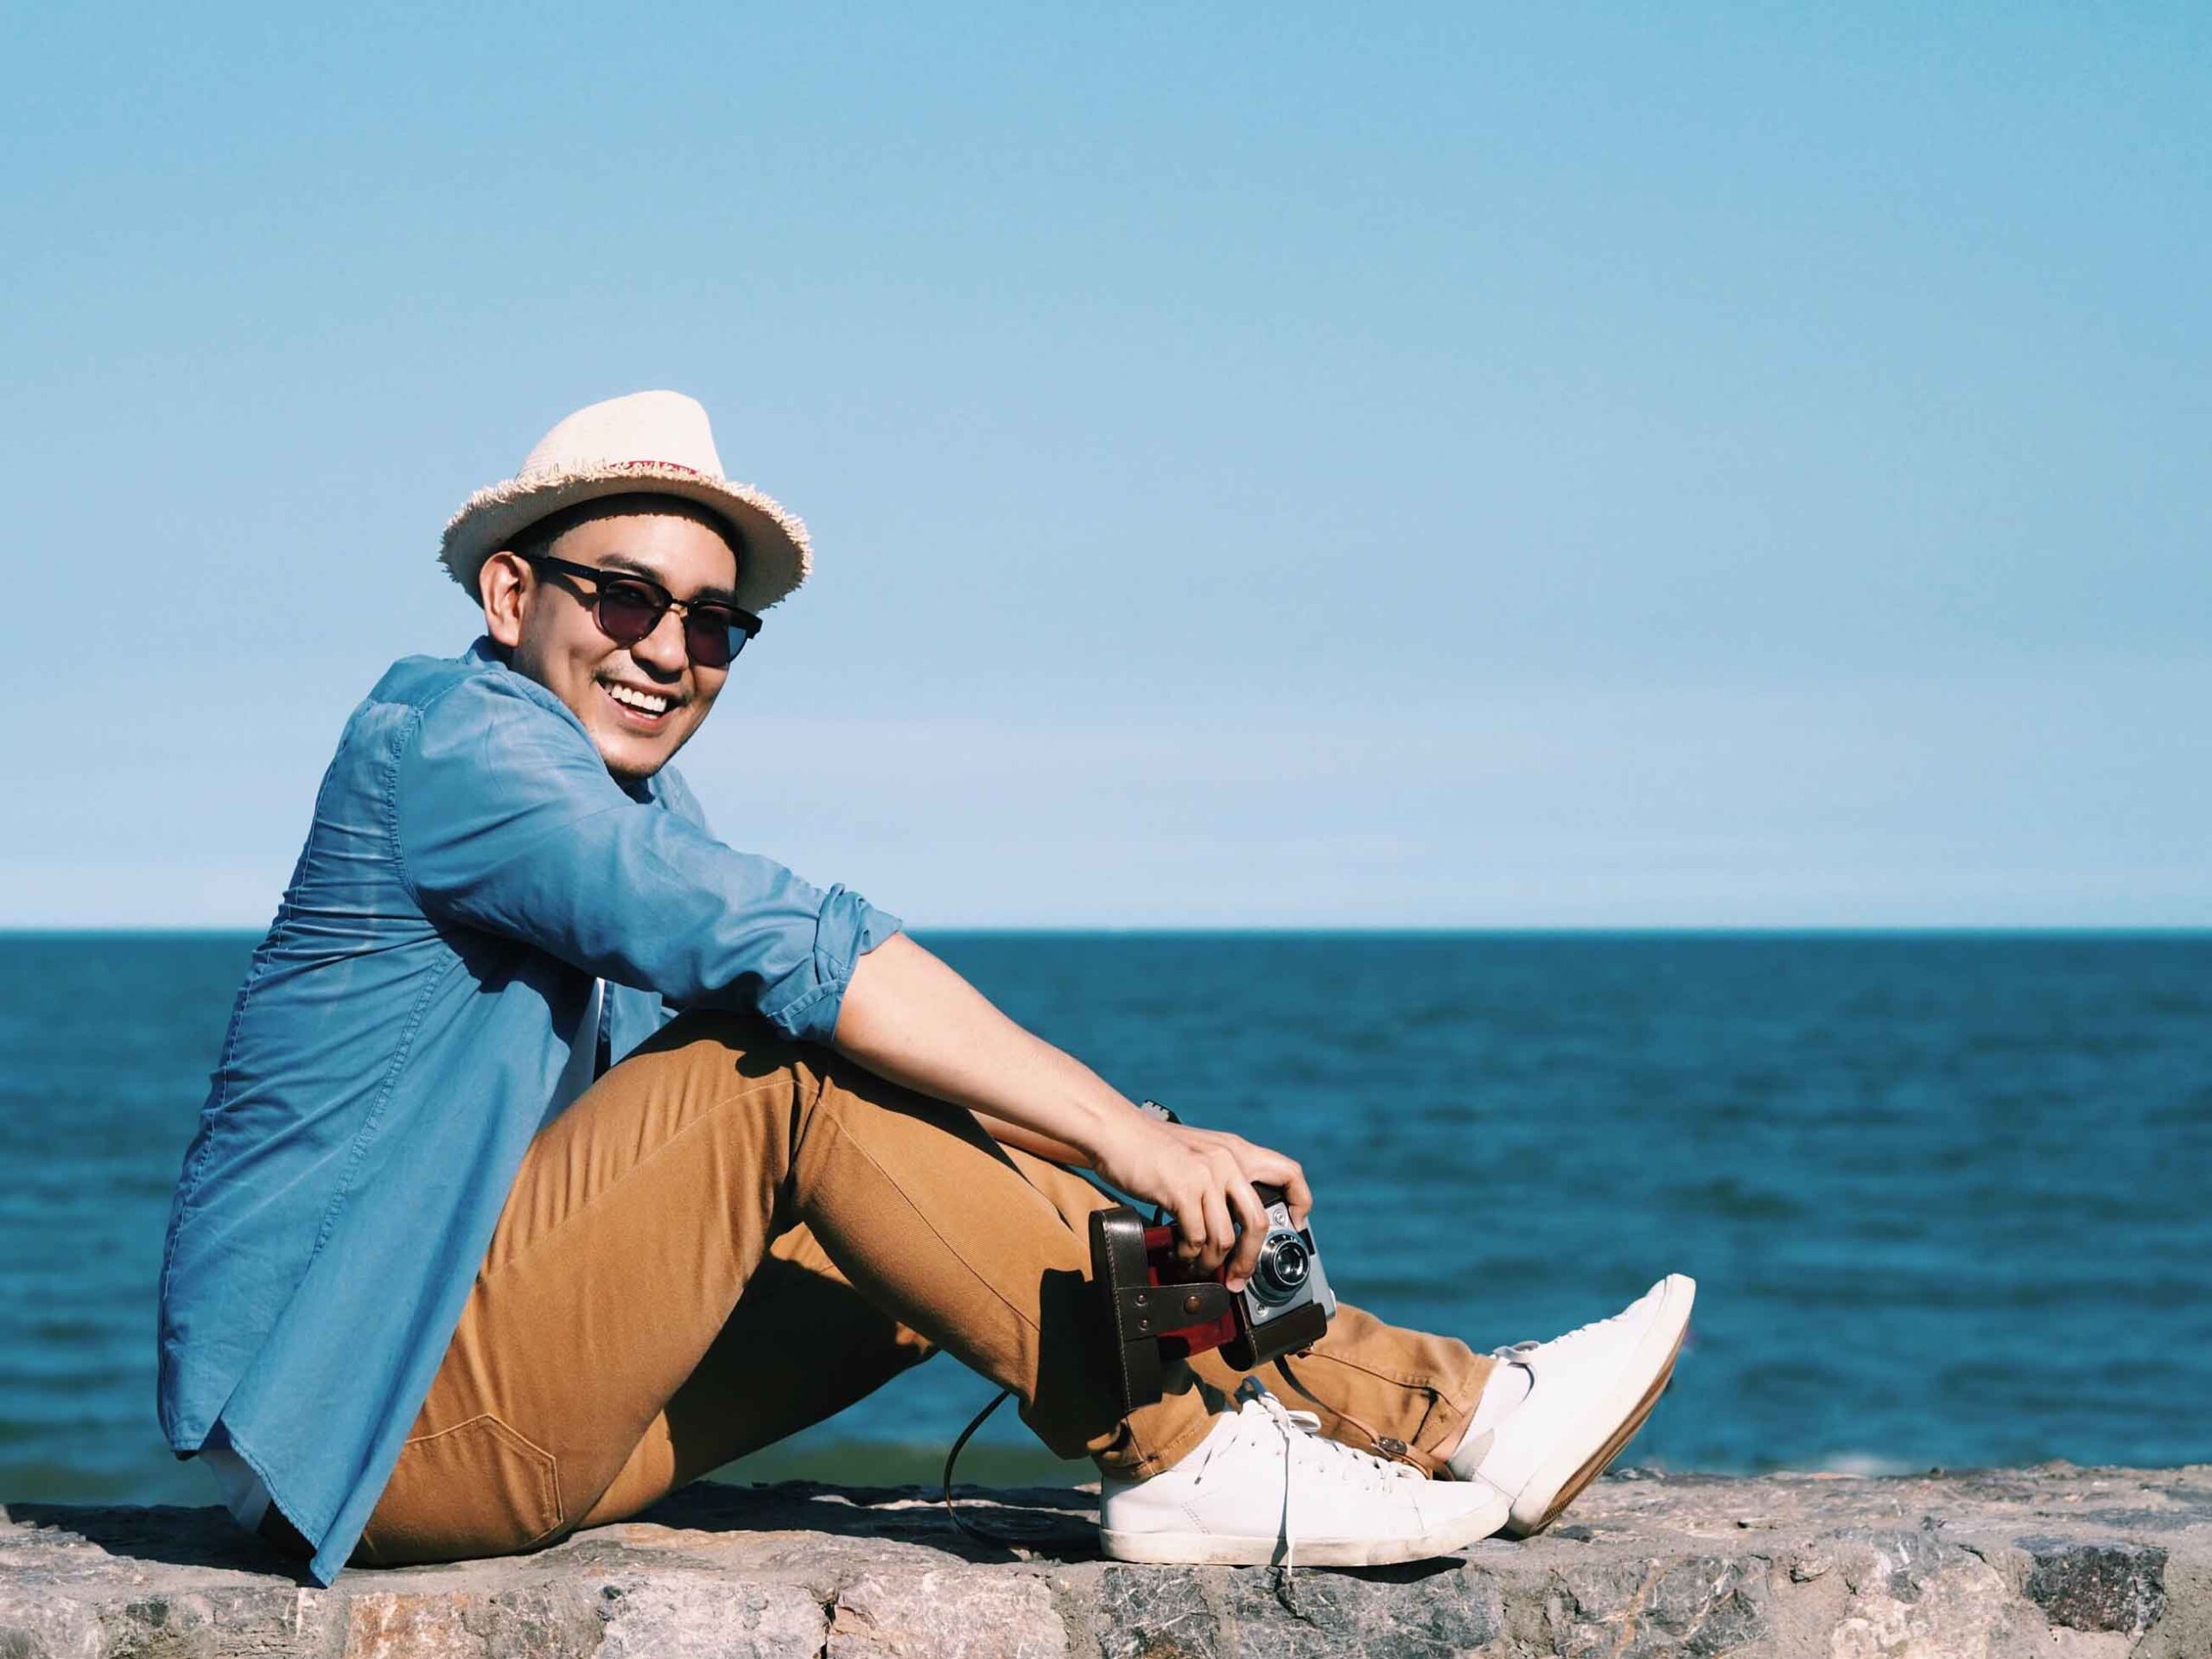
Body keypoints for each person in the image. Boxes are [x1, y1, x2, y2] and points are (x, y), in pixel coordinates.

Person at [157, 391, 1694, 1586]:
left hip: (516, 1401)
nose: (667, 650)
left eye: (712, 624)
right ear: (511, 595)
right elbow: (796, 960)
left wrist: (1101, 1136)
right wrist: (1128, 1139)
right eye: (624, 597)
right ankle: (1191, 1463)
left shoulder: (634, 813)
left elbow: (823, 990)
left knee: (971, 1171)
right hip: (362, 1429)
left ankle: (1445, 1415)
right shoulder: (454, 747)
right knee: (794, 1070)